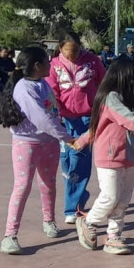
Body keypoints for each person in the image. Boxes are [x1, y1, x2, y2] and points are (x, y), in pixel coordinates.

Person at [73, 60, 134, 255]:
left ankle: (114, 236)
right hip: (109, 157)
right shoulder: (111, 98)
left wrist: (81, 141)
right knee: (110, 197)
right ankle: (88, 221)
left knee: (123, 200)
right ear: (125, 76)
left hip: (128, 156)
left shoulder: (124, 98)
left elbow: (96, 126)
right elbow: (130, 120)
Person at [0, 47, 78, 254]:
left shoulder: (43, 84)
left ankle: (49, 221)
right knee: (22, 187)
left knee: (48, 184)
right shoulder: (24, 88)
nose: (51, 65)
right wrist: (68, 138)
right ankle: (9, 235)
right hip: (27, 144)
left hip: (49, 143)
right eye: (47, 62)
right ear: (37, 66)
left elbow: (53, 111)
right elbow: (41, 117)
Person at [46, 36, 105, 225]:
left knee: (79, 159)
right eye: (67, 51)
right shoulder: (53, 65)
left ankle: (72, 208)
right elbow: (52, 91)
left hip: (87, 117)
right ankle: (79, 196)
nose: (72, 55)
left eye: (76, 51)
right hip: (64, 119)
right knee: (66, 162)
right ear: (60, 49)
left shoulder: (92, 61)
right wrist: (56, 115)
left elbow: (104, 83)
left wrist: (101, 109)